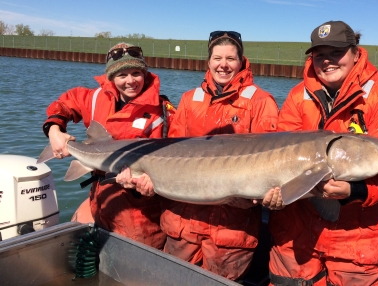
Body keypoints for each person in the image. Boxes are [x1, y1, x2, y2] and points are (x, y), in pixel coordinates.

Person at [263, 21, 378, 286]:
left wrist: (353, 192)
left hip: (359, 240)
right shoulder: (297, 95)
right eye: (319, 55)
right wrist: (272, 193)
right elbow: (278, 154)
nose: (327, 61)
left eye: (336, 52)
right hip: (296, 235)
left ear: (355, 53)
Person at [121, 31, 279, 281]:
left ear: (241, 61)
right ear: (208, 61)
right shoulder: (189, 100)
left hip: (230, 230)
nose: (223, 65)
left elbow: (272, 163)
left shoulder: (260, 102)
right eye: (217, 58)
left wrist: (256, 198)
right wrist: (151, 182)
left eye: (230, 58)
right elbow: (168, 155)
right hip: (181, 223)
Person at [43, 42, 175, 250]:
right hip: (101, 199)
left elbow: (172, 162)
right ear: (111, 77)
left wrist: (147, 187)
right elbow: (65, 104)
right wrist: (54, 130)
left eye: (136, 73)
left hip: (139, 214)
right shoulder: (95, 98)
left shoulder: (163, 113)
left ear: (144, 73)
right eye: (122, 75)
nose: (130, 81)